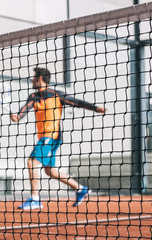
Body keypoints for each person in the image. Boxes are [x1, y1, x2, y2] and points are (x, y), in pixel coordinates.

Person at [11, 67, 106, 210]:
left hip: (52, 136)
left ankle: (35, 199)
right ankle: (81, 189)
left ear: (40, 78)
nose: (32, 79)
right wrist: (17, 116)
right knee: (50, 171)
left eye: (34, 77)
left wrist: (95, 108)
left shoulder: (56, 95)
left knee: (31, 162)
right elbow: (24, 110)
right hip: (45, 137)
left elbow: (77, 102)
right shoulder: (34, 97)